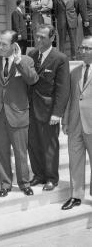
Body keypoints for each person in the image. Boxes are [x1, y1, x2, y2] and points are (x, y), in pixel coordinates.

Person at [0, 30, 38, 197]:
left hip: (18, 114)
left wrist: (18, 61)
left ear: (14, 45)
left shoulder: (26, 60)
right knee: (1, 152)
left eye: (4, 44)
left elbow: (32, 79)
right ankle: (5, 184)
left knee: (20, 152)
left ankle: (24, 183)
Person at [28, 24, 70, 191]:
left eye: (42, 37)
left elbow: (63, 88)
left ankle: (51, 178)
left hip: (48, 110)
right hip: (31, 108)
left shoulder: (60, 58)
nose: (38, 40)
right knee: (33, 144)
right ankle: (38, 174)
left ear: (52, 38)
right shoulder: (31, 55)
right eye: (37, 36)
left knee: (49, 145)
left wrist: (57, 113)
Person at [61, 36, 92, 210]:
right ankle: (76, 196)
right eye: (82, 48)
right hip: (74, 124)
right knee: (75, 162)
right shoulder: (74, 73)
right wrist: (65, 121)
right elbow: (70, 99)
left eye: (88, 48)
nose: (84, 51)